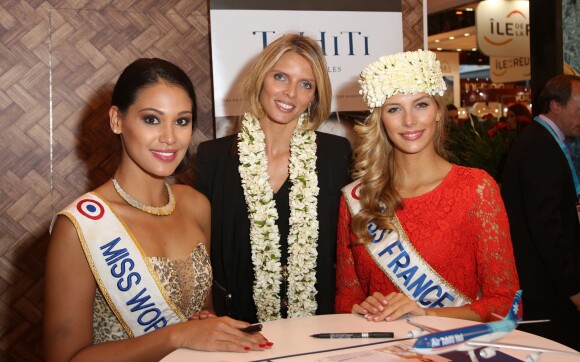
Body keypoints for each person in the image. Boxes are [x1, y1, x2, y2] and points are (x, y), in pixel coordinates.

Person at [44, 58, 270, 362]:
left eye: (182, 121)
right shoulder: (80, 226)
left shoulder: (195, 205)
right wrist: (178, 335)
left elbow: (204, 317)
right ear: (116, 120)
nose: (170, 137)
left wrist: (204, 328)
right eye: (152, 119)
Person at [335, 50, 520, 322]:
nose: (409, 121)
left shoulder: (477, 189)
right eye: (394, 109)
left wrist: (425, 313)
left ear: (437, 111)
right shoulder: (358, 198)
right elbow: (345, 300)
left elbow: (505, 306)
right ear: (381, 119)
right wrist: (361, 308)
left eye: (420, 105)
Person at [194, 33, 351, 323]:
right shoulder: (213, 157)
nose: (290, 93)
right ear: (261, 79)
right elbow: (199, 253)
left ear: (314, 96)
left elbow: (350, 245)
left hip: (317, 325)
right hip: (236, 324)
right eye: (280, 77)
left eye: (305, 84)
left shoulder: (336, 155)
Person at [501, 74, 580, 350]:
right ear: (556, 106)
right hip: (546, 287)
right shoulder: (539, 145)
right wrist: (573, 288)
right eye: (579, 109)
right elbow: (546, 225)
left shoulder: (543, 138)